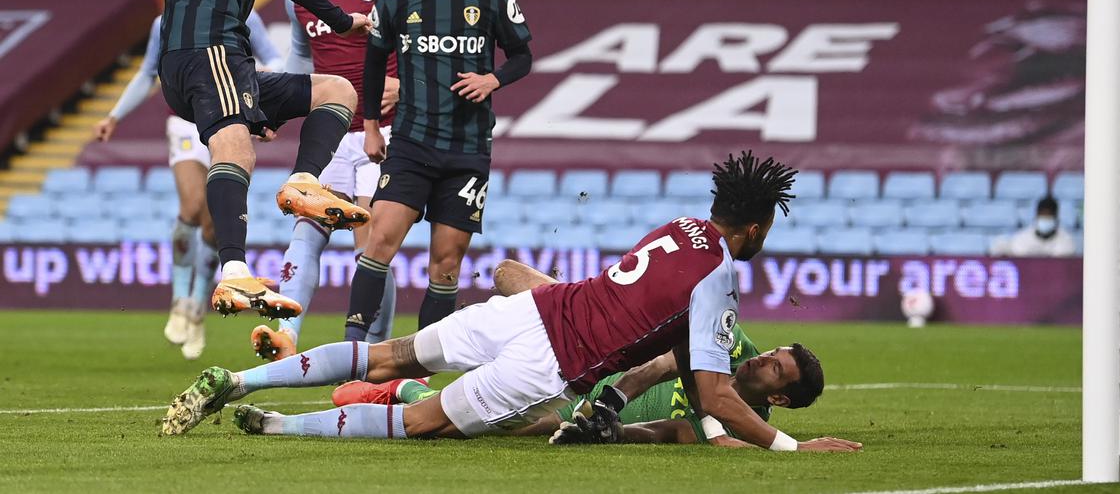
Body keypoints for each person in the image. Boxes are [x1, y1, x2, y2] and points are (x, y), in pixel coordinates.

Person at [160, 152, 847, 452]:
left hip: (530, 312)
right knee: (430, 423)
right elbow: (717, 392)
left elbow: (649, 322)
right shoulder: (719, 274)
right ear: (754, 226)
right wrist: (791, 445)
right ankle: (277, 427)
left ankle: (238, 379)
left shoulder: (677, 228)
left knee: (383, 354)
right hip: (549, 362)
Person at [40, 0, 375, 320]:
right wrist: (335, 17)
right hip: (211, 49)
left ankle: (304, 179)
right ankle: (235, 271)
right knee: (234, 147)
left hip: (187, 61)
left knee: (336, 91)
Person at [329, 260, 850, 450]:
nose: (761, 361)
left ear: (778, 398)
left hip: (575, 392)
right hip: (590, 353)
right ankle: (558, 304)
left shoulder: (743, 424)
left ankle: (404, 390)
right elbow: (661, 364)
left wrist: (609, 430)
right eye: (772, 354)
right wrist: (616, 402)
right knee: (510, 274)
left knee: (519, 424)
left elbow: (673, 432)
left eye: (774, 368)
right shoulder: (733, 340)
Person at [342, 0, 534, 342]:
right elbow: (373, 68)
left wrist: (493, 79)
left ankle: (423, 365)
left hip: (468, 151)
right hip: (410, 143)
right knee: (380, 241)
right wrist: (371, 125)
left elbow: (523, 57)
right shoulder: (395, 3)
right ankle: (354, 351)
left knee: (447, 262)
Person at [250, 0, 407, 361]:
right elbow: (301, 61)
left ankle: (371, 352)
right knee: (306, 230)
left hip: (386, 133)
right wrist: (272, 108)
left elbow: (427, 45)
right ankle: (286, 335)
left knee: (370, 243)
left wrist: (408, 87)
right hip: (335, 135)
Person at [94, 11, 282, 359]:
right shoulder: (164, 22)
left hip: (230, 122)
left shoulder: (243, 14)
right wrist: (114, 115)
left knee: (213, 221)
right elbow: (148, 73)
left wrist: (257, 92)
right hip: (185, 124)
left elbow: (275, 59)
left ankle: (197, 306)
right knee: (193, 206)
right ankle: (180, 300)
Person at [990, 195, 1077, 257]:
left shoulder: (1066, 240)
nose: (1045, 219)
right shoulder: (1022, 238)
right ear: (1036, 216)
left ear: (1056, 218)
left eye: (1049, 216)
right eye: (1042, 215)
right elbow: (999, 248)